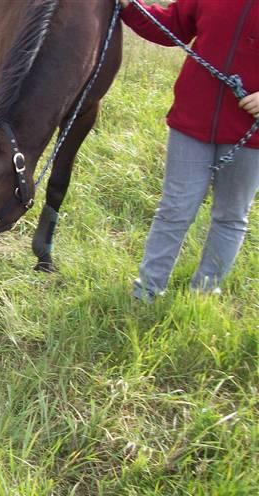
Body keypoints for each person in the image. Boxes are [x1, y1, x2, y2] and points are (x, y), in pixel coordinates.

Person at [119, 0, 259, 300]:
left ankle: (203, 295)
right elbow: (170, 26)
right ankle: (146, 292)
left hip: (252, 134)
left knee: (231, 216)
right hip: (192, 120)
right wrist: (131, 7)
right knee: (174, 210)